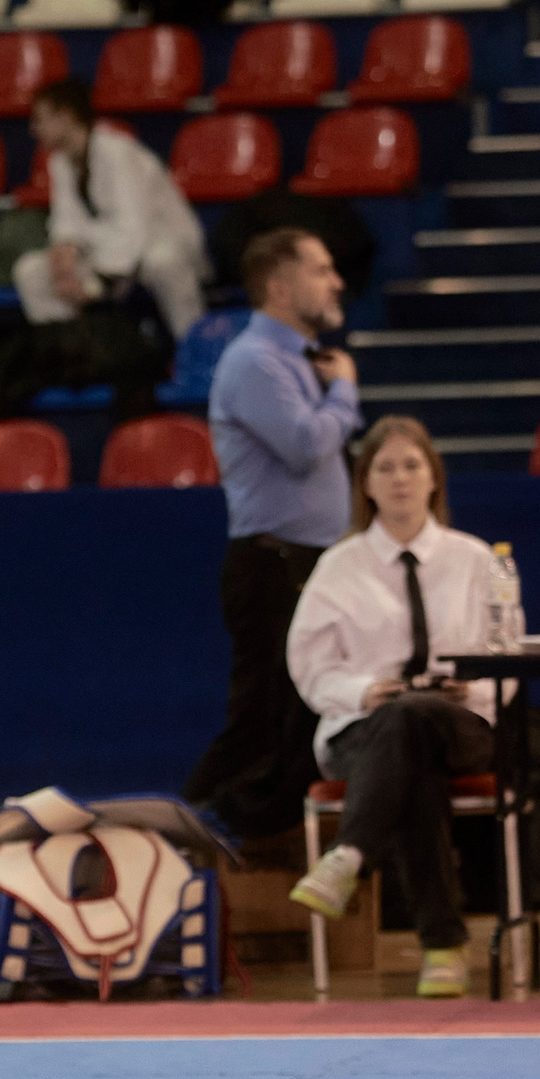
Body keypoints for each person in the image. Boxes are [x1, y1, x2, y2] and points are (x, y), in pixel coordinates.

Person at [284, 417, 509, 999]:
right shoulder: (338, 566)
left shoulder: (476, 560)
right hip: (363, 729)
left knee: (415, 718)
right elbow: (309, 666)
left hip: (463, 723)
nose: (400, 479)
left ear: (434, 477)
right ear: (365, 484)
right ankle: (442, 946)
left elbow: (507, 658)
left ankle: (350, 854)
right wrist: (364, 690)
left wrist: (472, 686)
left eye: (412, 466)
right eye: (385, 468)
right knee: (407, 738)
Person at [184, 227, 361, 841]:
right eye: (321, 269)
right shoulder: (255, 361)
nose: (335, 282)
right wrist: (345, 392)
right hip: (273, 568)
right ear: (282, 285)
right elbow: (304, 445)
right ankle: (180, 836)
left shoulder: (293, 360)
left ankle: (261, 858)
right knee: (259, 722)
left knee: (290, 725)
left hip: (304, 565)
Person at [15, 79, 208, 340]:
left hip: (159, 244)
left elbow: (134, 229)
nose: (33, 129)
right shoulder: (59, 160)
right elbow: (67, 221)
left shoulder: (118, 152)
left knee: (163, 260)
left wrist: (95, 282)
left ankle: (193, 349)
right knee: (30, 271)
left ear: (66, 116)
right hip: (108, 253)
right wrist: (64, 256)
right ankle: (71, 352)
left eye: (40, 119)